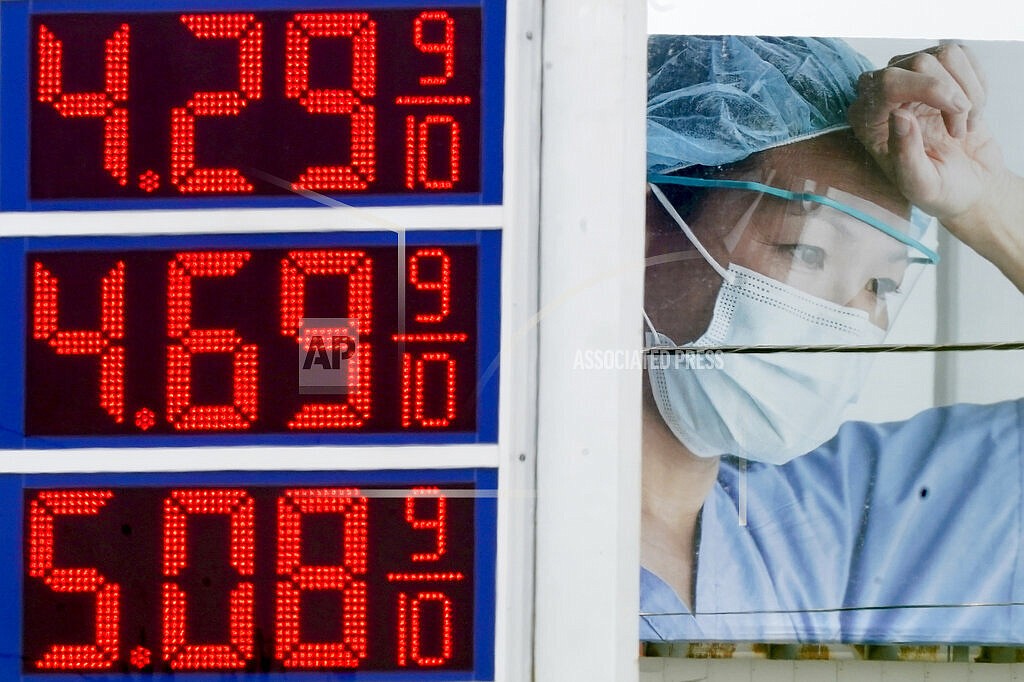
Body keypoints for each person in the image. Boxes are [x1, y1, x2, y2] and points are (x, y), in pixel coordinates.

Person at [641, 35, 1024, 643]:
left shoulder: (830, 523)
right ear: (647, 227)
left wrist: (989, 197)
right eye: (807, 251)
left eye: (880, 284)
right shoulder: (472, 535)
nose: (845, 315)